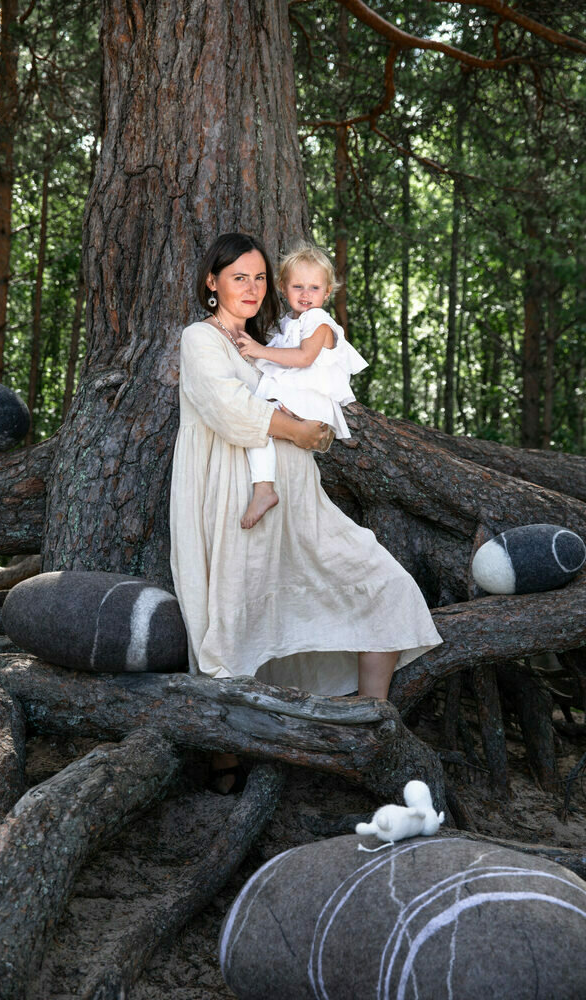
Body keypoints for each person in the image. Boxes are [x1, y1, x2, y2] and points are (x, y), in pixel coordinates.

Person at [169, 233, 442, 790]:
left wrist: (310, 427)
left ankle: (372, 726)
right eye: (239, 277)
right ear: (212, 282)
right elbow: (229, 408)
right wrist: (296, 429)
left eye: (259, 277)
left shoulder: (270, 339)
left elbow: (313, 396)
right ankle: (227, 755)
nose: (252, 288)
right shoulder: (201, 338)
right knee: (234, 615)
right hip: (234, 500)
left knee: (383, 585)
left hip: (301, 503)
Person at [237, 243, 368, 529]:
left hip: (310, 400)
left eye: (314, 288)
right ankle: (266, 486)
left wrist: (259, 350)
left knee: (258, 418)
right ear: (283, 288)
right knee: (258, 419)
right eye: (298, 287)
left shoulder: (318, 320)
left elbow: (304, 358)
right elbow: (279, 360)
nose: (306, 294)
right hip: (298, 396)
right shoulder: (291, 322)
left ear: (327, 292)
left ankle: (264, 488)